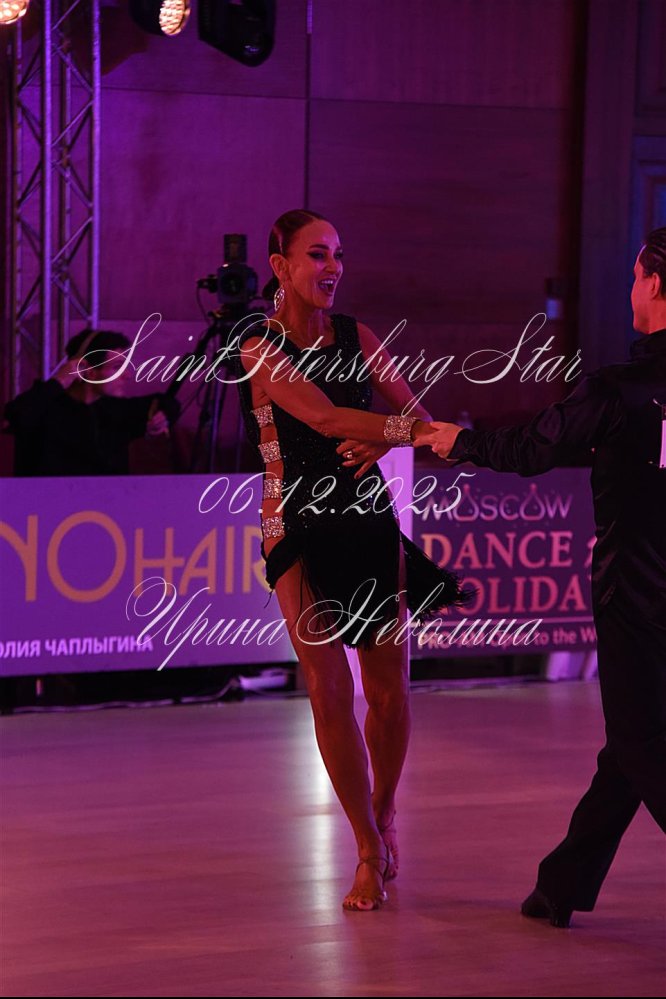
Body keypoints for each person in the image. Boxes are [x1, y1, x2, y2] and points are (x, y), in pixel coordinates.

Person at [425, 227, 666, 927]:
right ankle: (561, 884)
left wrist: (459, 441)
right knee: (631, 743)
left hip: (636, 597)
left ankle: (561, 884)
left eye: (634, 276)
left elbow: (534, 447)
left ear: (654, 283)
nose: (630, 289)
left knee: (641, 742)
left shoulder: (620, 390)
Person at [235, 209, 470, 911]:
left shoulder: (359, 336)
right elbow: (328, 418)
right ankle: (367, 847)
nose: (332, 267)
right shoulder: (258, 347)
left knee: (390, 690)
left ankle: (385, 809)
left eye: (338, 254)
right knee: (329, 687)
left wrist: (400, 433)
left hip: (365, 518)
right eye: (317, 254)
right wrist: (409, 434)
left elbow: (414, 411)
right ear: (280, 266)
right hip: (292, 525)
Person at [3, 329, 179, 475]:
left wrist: (164, 414)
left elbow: (165, 402)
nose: (127, 375)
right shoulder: (45, 407)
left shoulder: (115, 409)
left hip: (107, 505)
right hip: (46, 504)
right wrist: (59, 381)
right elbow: (14, 416)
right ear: (88, 371)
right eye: (117, 367)